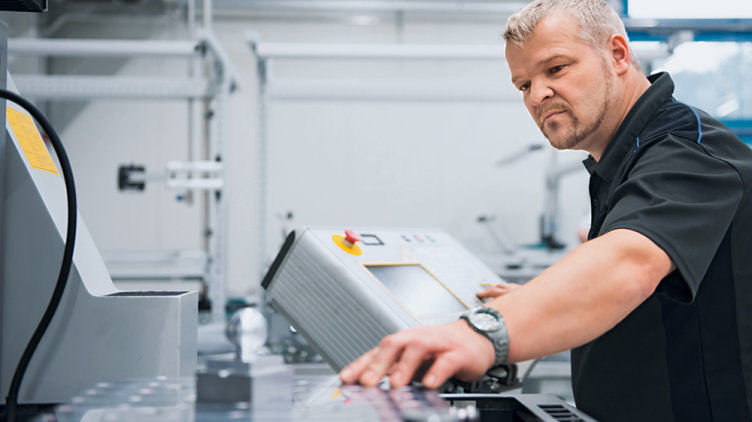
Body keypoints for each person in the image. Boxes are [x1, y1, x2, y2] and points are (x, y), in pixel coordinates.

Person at [339, 1, 752, 421]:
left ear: (618, 54)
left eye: (555, 69)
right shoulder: (627, 158)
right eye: (523, 85)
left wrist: (485, 333)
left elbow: (631, 262)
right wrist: (538, 304)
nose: (538, 95)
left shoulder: (688, 149)